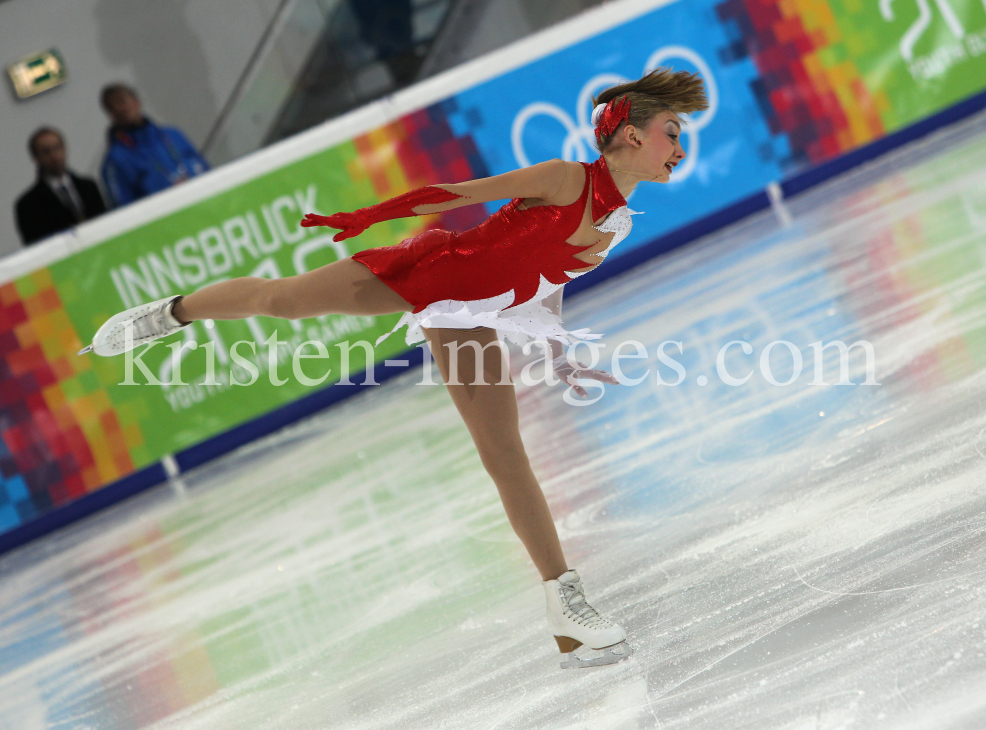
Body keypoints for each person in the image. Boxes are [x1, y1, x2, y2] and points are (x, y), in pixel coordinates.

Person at [80, 69, 708, 669]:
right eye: (672, 131)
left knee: (506, 454)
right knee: (284, 301)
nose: (679, 144)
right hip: (431, 271)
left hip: (472, 314)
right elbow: (455, 196)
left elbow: (547, 278)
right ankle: (171, 313)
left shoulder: (618, 218)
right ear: (632, 134)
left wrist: (557, 348)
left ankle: (563, 604)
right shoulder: (566, 178)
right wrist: (368, 219)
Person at [99, 83, 209, 207]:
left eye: (121, 101)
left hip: (204, 204)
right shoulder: (116, 159)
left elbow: (205, 168)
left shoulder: (172, 135)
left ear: (136, 101)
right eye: (112, 107)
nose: (120, 109)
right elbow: (122, 207)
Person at [15, 128, 107, 245]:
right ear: (35, 157)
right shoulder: (28, 205)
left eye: (57, 148)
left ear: (64, 149)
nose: (54, 156)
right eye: (46, 152)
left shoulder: (88, 187)